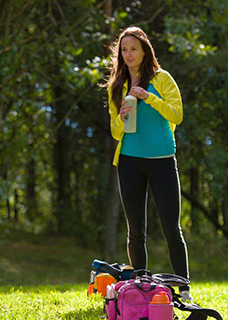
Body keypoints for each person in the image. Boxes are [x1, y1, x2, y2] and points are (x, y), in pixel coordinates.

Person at [104, 26, 192, 302]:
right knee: (135, 231)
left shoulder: (163, 79)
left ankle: (184, 289)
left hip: (162, 161)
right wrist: (121, 115)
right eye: (124, 50)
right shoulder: (116, 86)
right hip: (130, 161)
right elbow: (117, 133)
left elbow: (176, 115)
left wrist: (149, 97)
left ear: (145, 51)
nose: (128, 54)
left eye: (134, 49)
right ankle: (140, 290)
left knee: (171, 228)